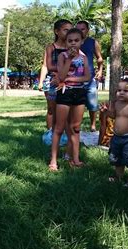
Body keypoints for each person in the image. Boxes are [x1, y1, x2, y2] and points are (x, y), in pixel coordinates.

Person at [48, 28, 91, 171]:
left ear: (82, 41)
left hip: (79, 93)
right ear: (66, 42)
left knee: (76, 128)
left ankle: (75, 159)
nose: (73, 43)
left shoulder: (84, 57)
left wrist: (70, 78)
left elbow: (87, 77)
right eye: (70, 41)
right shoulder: (62, 56)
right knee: (59, 128)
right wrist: (69, 60)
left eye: (76, 40)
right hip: (65, 92)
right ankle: (53, 160)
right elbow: (61, 76)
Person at [39, 19, 73, 130]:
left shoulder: (71, 48)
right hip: (51, 81)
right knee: (51, 109)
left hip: (68, 80)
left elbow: (75, 66)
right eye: (65, 30)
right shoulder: (50, 48)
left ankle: (64, 132)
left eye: (70, 30)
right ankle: (50, 132)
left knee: (66, 109)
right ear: (56, 31)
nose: (68, 32)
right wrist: (41, 81)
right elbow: (47, 66)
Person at [76, 20, 104, 132]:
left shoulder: (93, 42)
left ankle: (93, 125)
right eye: (78, 29)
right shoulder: (72, 41)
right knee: (77, 104)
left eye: (82, 29)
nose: (80, 31)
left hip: (90, 79)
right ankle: (76, 125)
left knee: (92, 104)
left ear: (87, 30)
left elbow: (99, 58)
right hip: (75, 79)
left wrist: (100, 70)